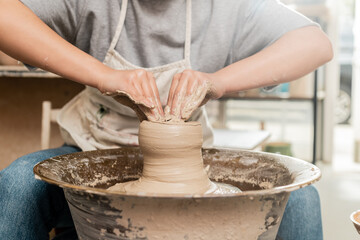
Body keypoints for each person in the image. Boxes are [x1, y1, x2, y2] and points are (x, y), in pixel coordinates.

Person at [0, 0, 332, 239]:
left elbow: (315, 43)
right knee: (17, 184)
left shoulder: (226, 8)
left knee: (300, 199)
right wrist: (103, 76)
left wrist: (218, 81)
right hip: (90, 152)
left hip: (193, 167)